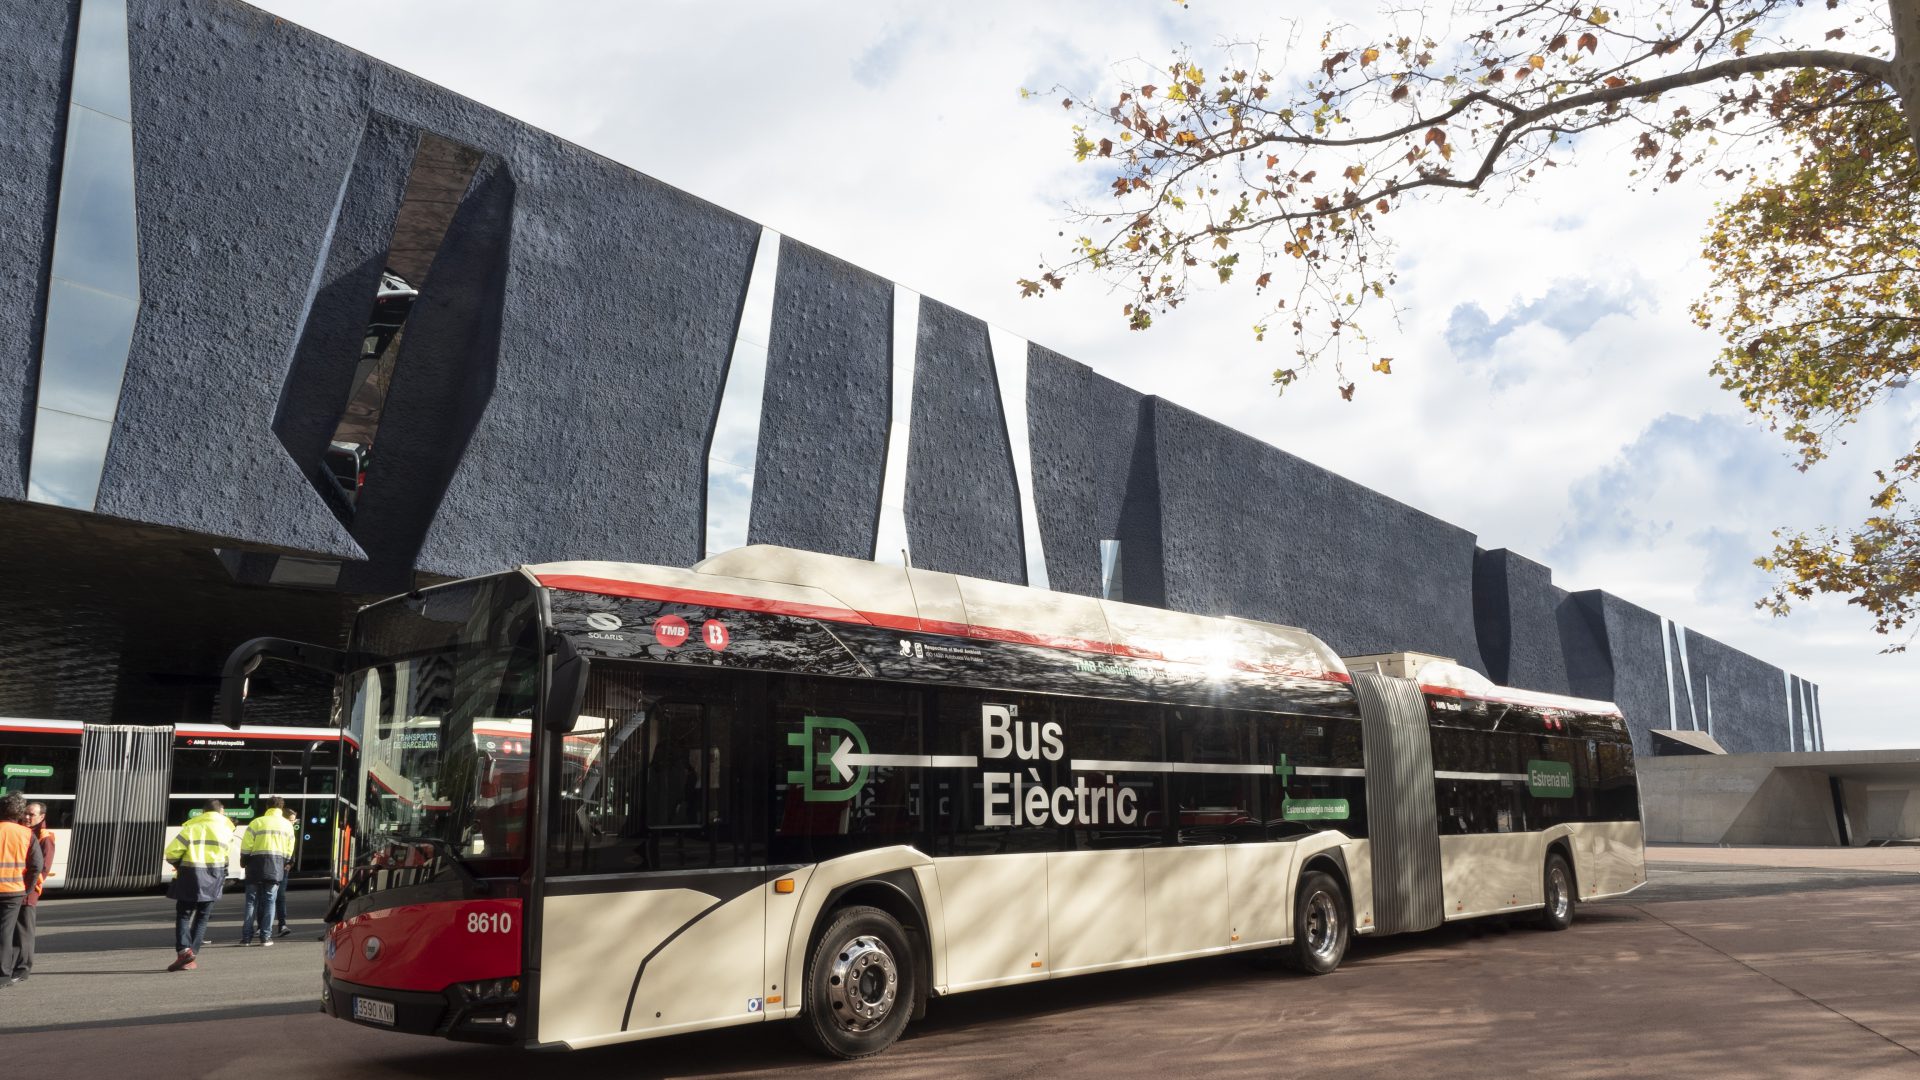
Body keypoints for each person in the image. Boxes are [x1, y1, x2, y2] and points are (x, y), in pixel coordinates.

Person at [164, 800, 234, 972]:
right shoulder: (227, 832)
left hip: (190, 876)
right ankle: (191, 954)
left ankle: (184, 950)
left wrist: (181, 865)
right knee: (203, 917)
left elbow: (171, 853)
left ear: (203, 812)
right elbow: (226, 859)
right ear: (220, 812)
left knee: (184, 915)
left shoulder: (191, 828)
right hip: (214, 878)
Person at [0, 793, 45, 988]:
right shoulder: (27, 834)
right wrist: (26, 887)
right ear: (18, 813)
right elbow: (37, 865)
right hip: (14, 892)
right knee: (5, 933)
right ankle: (3, 975)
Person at [238, 797, 294, 946]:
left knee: (251, 902)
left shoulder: (256, 822)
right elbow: (290, 850)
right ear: (281, 808)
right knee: (270, 901)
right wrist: (286, 862)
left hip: (255, 866)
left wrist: (244, 861)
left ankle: (246, 938)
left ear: (267, 806)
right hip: (275, 867)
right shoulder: (287, 825)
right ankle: (265, 937)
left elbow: (246, 846)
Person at [12, 802, 52, 982]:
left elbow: (42, 868)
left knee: (24, 931)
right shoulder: (21, 832)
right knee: (13, 930)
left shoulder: (45, 837)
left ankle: (23, 968)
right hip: (14, 888)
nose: (27, 818)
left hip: (28, 891)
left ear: (41, 817)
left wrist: (29, 889)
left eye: (31, 815)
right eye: (25, 814)